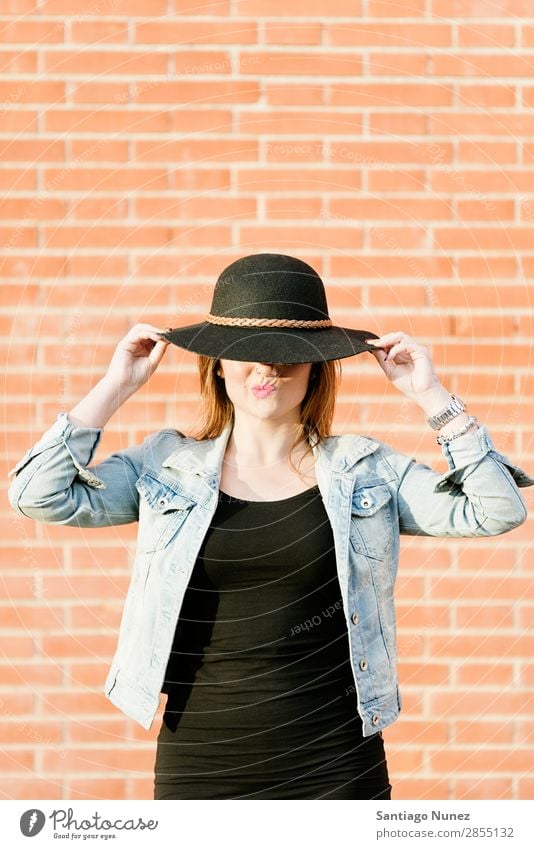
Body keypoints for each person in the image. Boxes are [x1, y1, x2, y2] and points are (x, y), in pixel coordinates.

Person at [7, 253, 534, 801]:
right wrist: (116, 386)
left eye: (288, 355)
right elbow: (35, 494)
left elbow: (496, 510)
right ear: (218, 364)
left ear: (315, 368)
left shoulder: (366, 470)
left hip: (335, 762)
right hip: (202, 760)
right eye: (250, 354)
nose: (268, 370)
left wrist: (432, 397)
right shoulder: (166, 467)